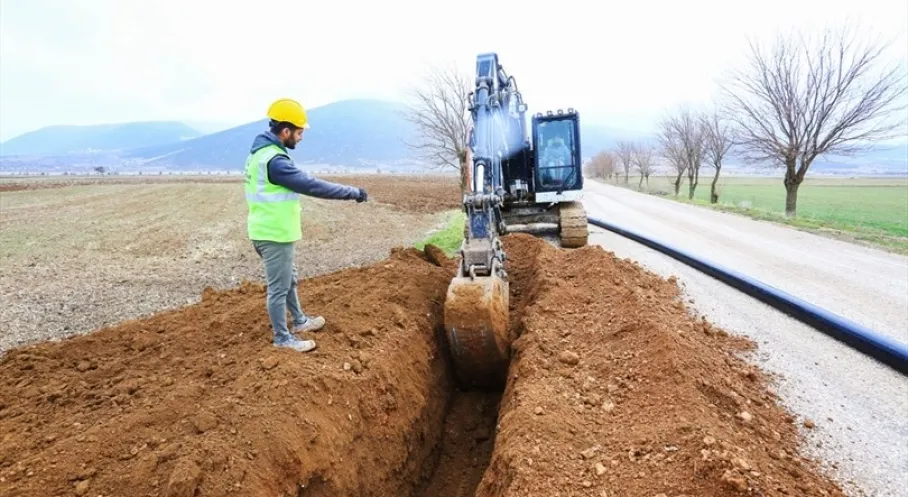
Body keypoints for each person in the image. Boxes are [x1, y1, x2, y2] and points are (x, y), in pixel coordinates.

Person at [244, 97, 368, 352]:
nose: (301, 138)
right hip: (273, 233)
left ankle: (299, 321)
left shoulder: (261, 155)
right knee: (278, 288)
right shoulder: (275, 162)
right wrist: (352, 192)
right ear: (285, 131)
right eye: (299, 132)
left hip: (269, 230)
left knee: (289, 279)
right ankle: (282, 339)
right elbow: (312, 185)